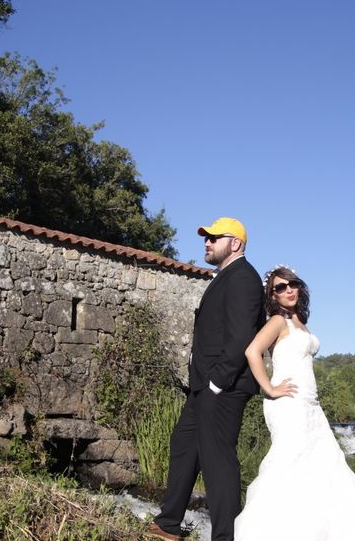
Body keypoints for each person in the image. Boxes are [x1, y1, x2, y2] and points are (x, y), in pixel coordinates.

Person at [234, 266, 355, 541]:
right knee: (289, 462)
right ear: (272, 295)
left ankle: (318, 527)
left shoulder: (298, 320)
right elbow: (252, 351)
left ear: (300, 286)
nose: (288, 290)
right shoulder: (277, 321)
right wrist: (270, 388)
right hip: (287, 403)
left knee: (323, 463)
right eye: (280, 287)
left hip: (310, 404)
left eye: (293, 284)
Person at [147, 218, 265, 541]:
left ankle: (225, 537)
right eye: (206, 238)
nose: (207, 242)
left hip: (223, 387)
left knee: (218, 460)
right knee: (183, 445)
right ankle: (168, 523)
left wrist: (218, 382)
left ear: (236, 244)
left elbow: (241, 334)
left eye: (214, 237)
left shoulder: (244, 278)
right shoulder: (224, 277)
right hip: (203, 386)